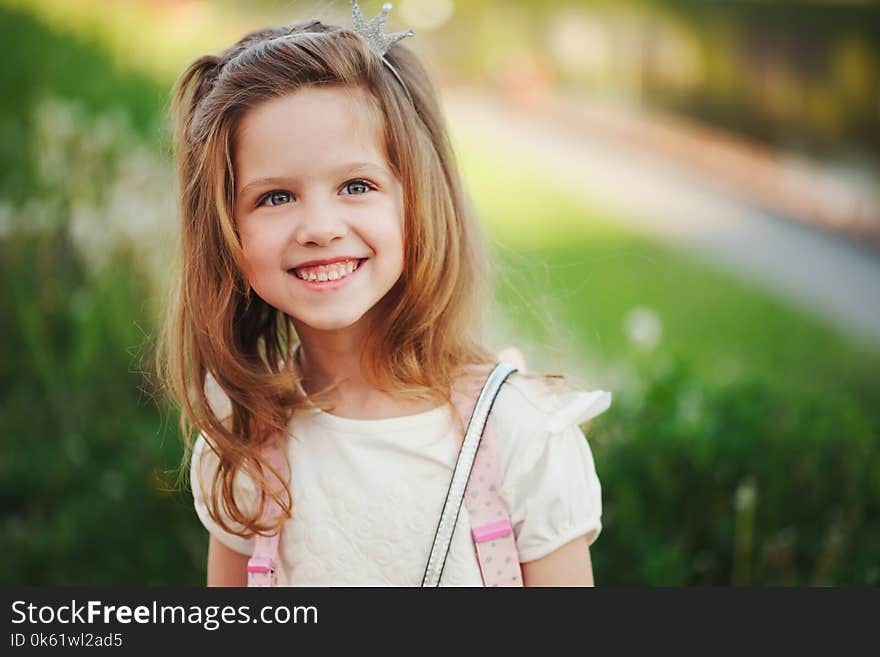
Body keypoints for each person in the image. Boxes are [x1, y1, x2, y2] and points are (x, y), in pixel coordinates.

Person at [158, 1, 611, 586]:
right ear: (229, 237)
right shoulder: (244, 446)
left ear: (418, 203)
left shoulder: (520, 440)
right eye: (275, 197)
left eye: (356, 185)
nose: (319, 226)